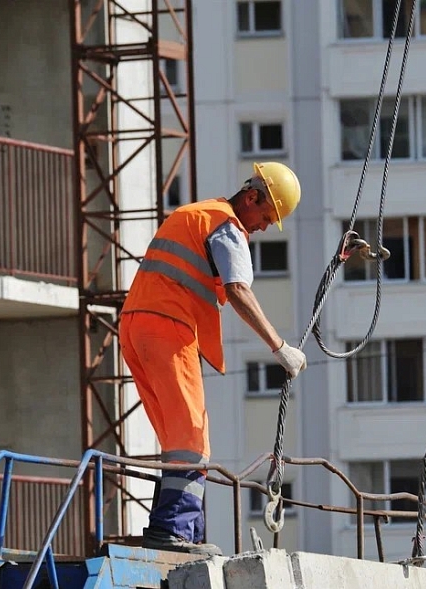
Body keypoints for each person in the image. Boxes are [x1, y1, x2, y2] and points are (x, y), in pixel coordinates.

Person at [119, 161, 308, 556]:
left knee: (176, 438)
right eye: (265, 217)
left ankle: (182, 533)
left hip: (135, 327)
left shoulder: (194, 214)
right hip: (168, 328)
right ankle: (172, 533)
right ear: (252, 197)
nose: (261, 227)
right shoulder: (227, 226)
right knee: (191, 437)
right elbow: (239, 290)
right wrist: (280, 348)